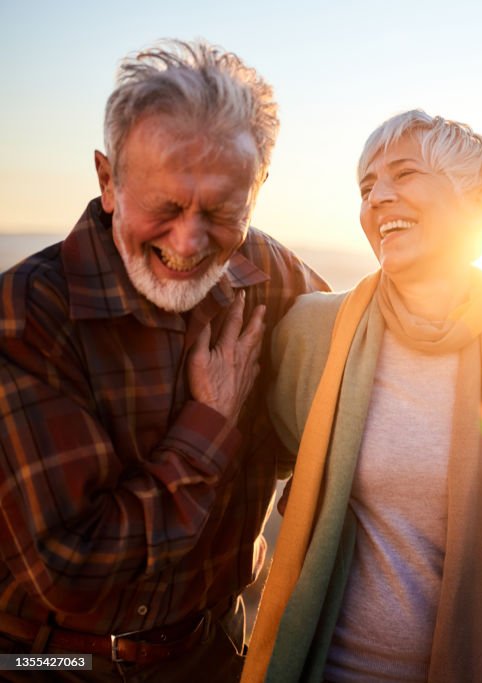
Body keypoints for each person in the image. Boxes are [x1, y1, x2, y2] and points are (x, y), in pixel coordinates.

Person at [0, 40, 330, 681]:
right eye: (166, 206)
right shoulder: (26, 317)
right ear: (107, 180)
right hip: (45, 660)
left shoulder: (274, 279)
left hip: (209, 655)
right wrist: (209, 425)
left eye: (222, 211)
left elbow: (389, 335)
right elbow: (72, 575)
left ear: (258, 187)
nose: (189, 242)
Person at [240, 111, 482, 683]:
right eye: (366, 187)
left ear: (479, 203)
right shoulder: (316, 332)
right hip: (326, 666)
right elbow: (262, 457)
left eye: (404, 175)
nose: (378, 198)